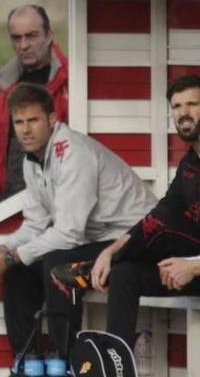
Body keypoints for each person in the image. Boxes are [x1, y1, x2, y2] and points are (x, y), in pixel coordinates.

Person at [0, 83, 157, 375]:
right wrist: (4, 250)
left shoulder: (72, 153)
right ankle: (26, 367)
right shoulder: (33, 160)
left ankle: (66, 367)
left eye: (33, 120)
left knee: (58, 263)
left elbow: (69, 233)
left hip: (135, 240)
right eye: (19, 123)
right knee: (19, 270)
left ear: (52, 119)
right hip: (98, 240)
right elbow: (35, 224)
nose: (25, 130)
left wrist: (10, 256)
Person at [54, 75, 200, 348]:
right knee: (126, 273)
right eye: (177, 106)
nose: (183, 113)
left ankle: (94, 268)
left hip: (194, 267)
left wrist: (192, 266)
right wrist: (110, 251)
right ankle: (116, 369)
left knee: (164, 230)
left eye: (192, 104)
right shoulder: (190, 164)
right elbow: (160, 214)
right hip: (188, 265)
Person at [0, 5, 68, 210]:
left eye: (31, 36)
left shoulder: (72, 82)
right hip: (11, 202)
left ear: (49, 35)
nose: (24, 45)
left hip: (57, 203)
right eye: (17, 38)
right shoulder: (7, 84)